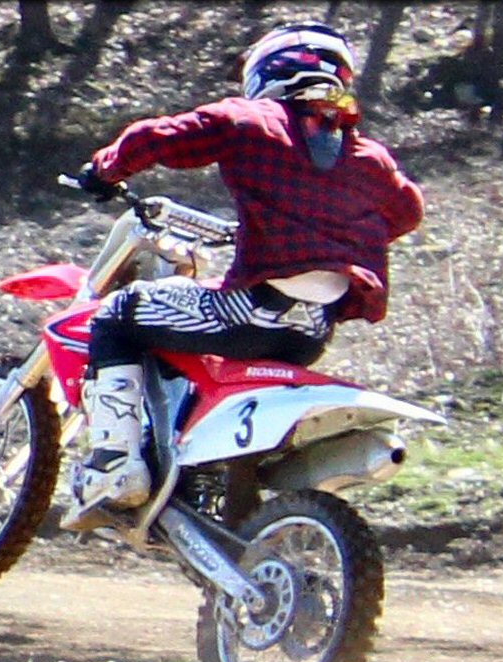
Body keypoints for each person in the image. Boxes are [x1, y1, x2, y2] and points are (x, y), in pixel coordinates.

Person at [62, 21, 424, 531]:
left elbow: (157, 138)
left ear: (271, 70)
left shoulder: (252, 119)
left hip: (252, 310)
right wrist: (327, 226)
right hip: (311, 331)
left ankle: (114, 467)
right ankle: (223, 510)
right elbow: (408, 211)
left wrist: (103, 170)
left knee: (119, 315)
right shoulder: (367, 155)